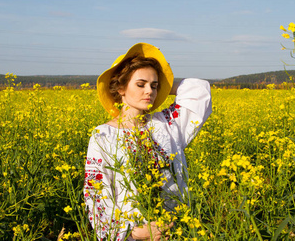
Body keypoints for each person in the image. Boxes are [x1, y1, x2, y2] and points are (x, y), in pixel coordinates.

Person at [84, 43, 212, 241]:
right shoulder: (103, 135)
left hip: (175, 229)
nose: (149, 91)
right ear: (121, 87)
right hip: (133, 235)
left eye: (154, 85)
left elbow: (199, 91)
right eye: (140, 84)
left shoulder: (166, 124)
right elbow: (96, 194)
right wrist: (134, 232)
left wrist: (166, 85)